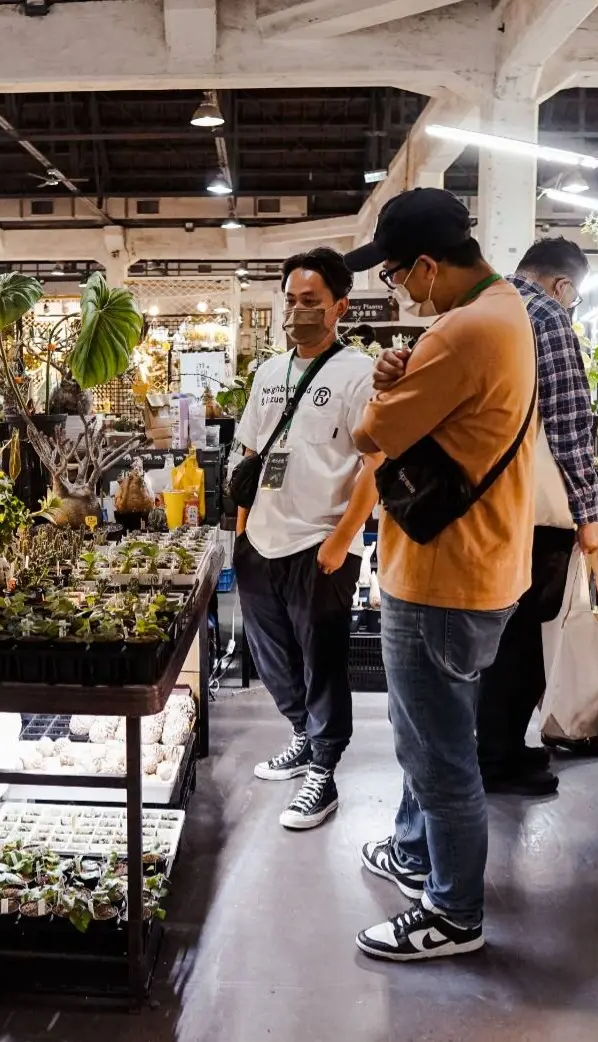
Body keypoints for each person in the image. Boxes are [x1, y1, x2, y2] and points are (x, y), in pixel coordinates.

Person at [346, 188, 537, 961]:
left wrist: (391, 382)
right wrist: (410, 366)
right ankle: (415, 853)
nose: (399, 291)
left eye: (396, 276)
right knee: (424, 731)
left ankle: (454, 913)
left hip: (439, 577)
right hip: (480, 563)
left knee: (438, 752)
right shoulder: (508, 310)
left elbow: (370, 434)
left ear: (427, 266)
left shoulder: (461, 334)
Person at [373, 236, 598, 796]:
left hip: (471, 508)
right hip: (535, 512)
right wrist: (589, 512)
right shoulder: (548, 316)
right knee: (523, 637)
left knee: (489, 639)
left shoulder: (477, 314)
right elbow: (570, 424)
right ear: (564, 285)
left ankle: (492, 748)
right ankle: (500, 754)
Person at [233, 247, 380, 831]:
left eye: (310, 302)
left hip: (319, 544)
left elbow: (374, 463)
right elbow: (249, 453)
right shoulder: (269, 372)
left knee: (323, 663)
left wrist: (342, 540)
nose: (297, 312)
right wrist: (242, 533)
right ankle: (301, 735)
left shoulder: (359, 373)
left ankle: (324, 769)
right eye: (290, 301)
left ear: (339, 306)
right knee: (273, 659)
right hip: (261, 543)